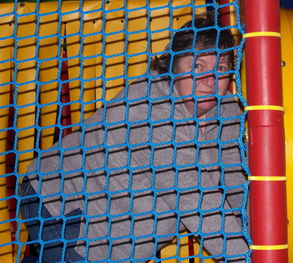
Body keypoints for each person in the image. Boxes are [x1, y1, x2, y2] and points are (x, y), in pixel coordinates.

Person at [20, 13, 249, 262]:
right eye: (197, 66)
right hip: (62, 200)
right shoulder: (152, 109)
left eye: (221, 68)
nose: (209, 79)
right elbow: (197, 202)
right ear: (174, 68)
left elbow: (236, 182)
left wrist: (258, 240)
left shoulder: (227, 112)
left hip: (108, 215)